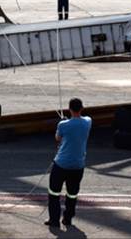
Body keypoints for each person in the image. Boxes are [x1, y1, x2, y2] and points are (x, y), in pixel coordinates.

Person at [46, 97, 92, 229]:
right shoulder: (88, 122)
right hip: (78, 165)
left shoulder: (63, 125)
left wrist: (64, 122)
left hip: (61, 164)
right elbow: (85, 118)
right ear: (82, 108)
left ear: (70, 109)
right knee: (72, 194)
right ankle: (67, 219)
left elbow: (58, 138)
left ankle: (54, 220)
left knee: (54, 193)